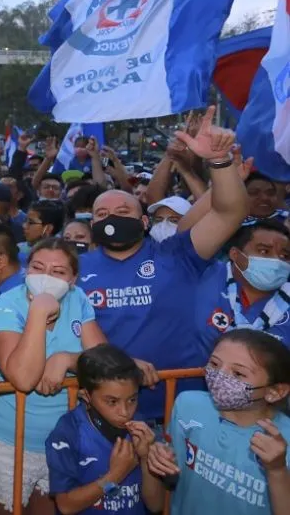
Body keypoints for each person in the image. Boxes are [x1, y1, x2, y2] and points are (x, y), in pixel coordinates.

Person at [79, 108, 250, 422]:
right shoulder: (74, 269)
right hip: (105, 415)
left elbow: (230, 212)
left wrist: (219, 161)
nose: (112, 219)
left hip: (180, 413)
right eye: (102, 216)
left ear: (145, 222)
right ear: (91, 224)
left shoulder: (178, 254)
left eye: (122, 211)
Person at [0, 238, 110, 515]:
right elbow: (24, 378)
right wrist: (39, 311)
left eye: (58, 272)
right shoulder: (5, 305)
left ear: (73, 279)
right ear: (26, 271)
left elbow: (104, 362)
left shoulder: (79, 299)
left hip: (63, 439)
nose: (46, 277)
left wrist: (67, 359)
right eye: (38, 267)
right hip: (9, 440)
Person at [146, 329, 290, 514]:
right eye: (214, 364)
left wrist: (277, 471)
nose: (220, 376)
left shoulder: (282, 441)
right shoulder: (188, 405)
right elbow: (164, 492)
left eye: (238, 373)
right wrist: (157, 461)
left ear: (274, 392)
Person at [45, 344, 162, 515]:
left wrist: (146, 458)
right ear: (86, 396)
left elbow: (156, 505)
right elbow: (66, 506)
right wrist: (115, 475)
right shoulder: (69, 432)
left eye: (132, 400)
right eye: (112, 402)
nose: (125, 412)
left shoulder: (141, 428)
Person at [191, 220, 290, 365]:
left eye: (285, 256)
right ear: (235, 254)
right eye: (264, 251)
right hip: (190, 384)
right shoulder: (204, 275)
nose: (276, 261)